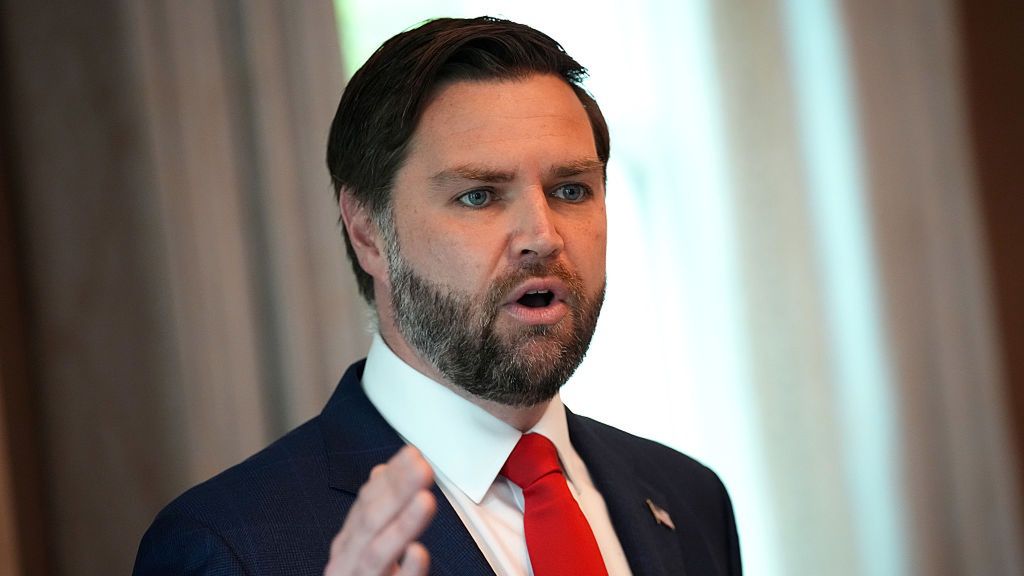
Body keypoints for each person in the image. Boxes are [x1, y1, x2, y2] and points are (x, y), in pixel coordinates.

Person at [133, 16, 741, 576]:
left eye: (572, 190)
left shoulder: (690, 498)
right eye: (478, 195)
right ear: (368, 231)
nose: (541, 237)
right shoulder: (228, 544)